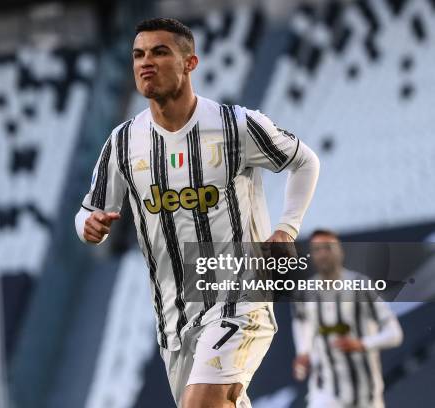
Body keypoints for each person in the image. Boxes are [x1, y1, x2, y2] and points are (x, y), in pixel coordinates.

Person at [75, 18, 320, 407]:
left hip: (241, 297)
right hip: (174, 318)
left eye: (159, 52)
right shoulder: (123, 143)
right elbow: (90, 210)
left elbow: (304, 161)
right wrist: (88, 226)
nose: (145, 63)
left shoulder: (235, 125)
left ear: (190, 63)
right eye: (138, 55)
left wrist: (287, 229)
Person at [292, 230, 403, 408]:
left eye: (328, 248)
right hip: (324, 392)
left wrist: (361, 344)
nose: (323, 254)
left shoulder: (361, 286)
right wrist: (303, 354)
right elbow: (301, 324)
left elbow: (395, 334)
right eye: (317, 249)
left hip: (365, 393)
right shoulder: (304, 293)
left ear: (340, 251)